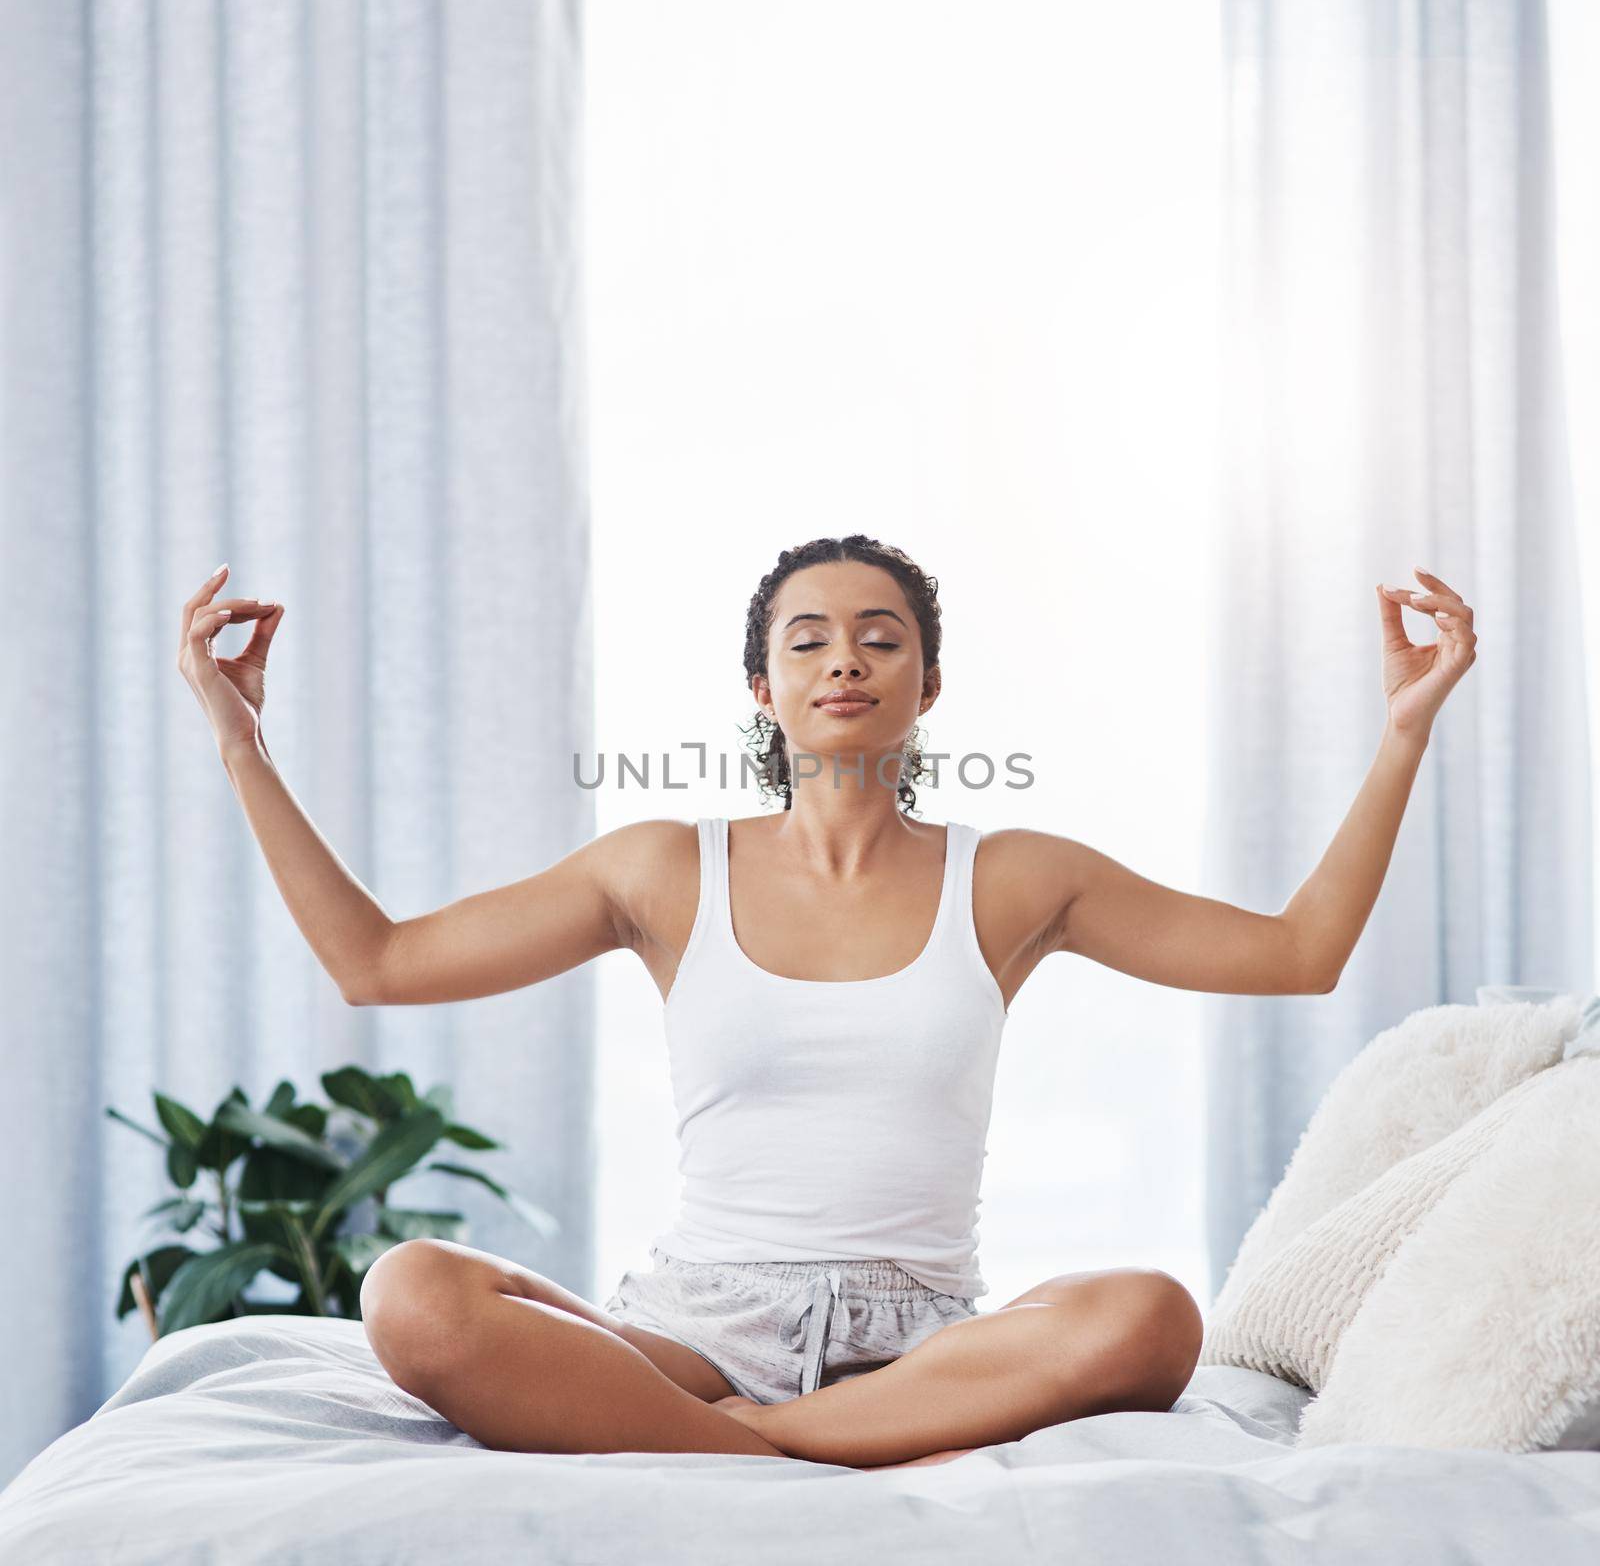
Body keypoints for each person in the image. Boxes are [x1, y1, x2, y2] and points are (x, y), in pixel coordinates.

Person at [176, 535, 1477, 1470]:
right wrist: (243, 743)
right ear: (762, 687)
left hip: (922, 1349)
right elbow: (380, 964)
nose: (843, 660)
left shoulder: (1018, 877)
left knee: (1151, 1317)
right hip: (694, 1331)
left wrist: (1404, 731)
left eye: (880, 637)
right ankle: (776, 1441)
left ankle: (747, 1450)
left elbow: (1299, 951)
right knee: (411, 1294)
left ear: (928, 684)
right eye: (806, 639)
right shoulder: (663, 868)